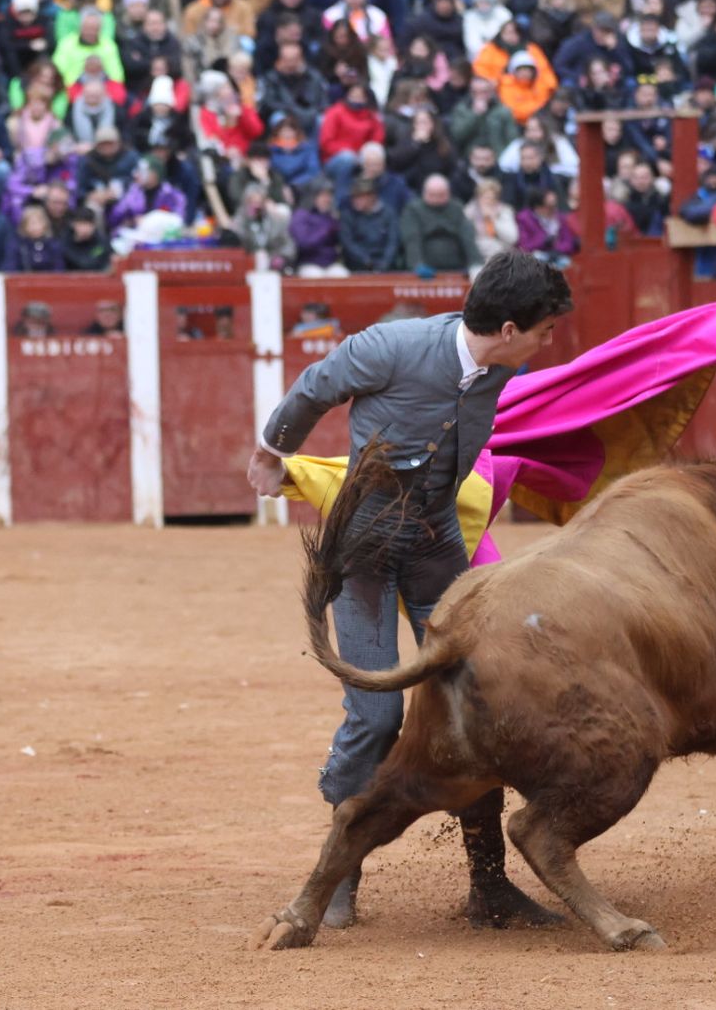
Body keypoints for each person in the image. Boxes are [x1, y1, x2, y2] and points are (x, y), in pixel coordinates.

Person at [246, 249, 575, 932]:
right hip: (362, 552)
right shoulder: (393, 346)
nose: (547, 345)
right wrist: (273, 450)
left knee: (477, 693)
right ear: (511, 327)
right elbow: (313, 385)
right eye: (544, 331)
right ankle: (338, 873)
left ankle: (488, 884)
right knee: (375, 716)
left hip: (434, 548)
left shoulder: (498, 369)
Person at [400, 175, 480, 274]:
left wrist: (476, 263)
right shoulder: (413, 210)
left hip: (456, 266)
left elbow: (467, 237)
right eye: (432, 195)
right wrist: (416, 264)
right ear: (424, 192)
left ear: (448, 193)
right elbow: (412, 239)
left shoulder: (456, 208)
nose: (436, 199)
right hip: (425, 267)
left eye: (441, 195)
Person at [290, 180, 347, 278]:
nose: (327, 199)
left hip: (331, 263)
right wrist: (325, 229)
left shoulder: (331, 215)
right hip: (308, 263)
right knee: (315, 276)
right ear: (313, 197)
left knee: (342, 275)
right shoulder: (301, 215)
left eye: (329, 196)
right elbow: (304, 243)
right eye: (323, 196)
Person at [517, 187, 580, 267]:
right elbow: (524, 246)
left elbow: (568, 242)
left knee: (568, 264)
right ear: (537, 207)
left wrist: (557, 250)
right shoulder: (524, 219)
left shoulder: (560, 218)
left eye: (555, 205)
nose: (554, 209)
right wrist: (543, 241)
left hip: (558, 257)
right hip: (534, 258)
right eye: (549, 206)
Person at [465, 179, 520, 261]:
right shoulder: (469, 212)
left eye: (492, 198)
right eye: (485, 197)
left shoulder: (504, 211)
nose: (488, 201)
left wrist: (493, 220)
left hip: (501, 256)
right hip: (477, 256)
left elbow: (512, 238)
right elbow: (466, 238)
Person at [14, 203, 65, 272]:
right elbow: (11, 268)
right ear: (24, 226)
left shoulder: (53, 245)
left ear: (45, 224)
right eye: (31, 223)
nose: (35, 227)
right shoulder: (18, 245)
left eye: (38, 223)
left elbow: (59, 269)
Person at [62, 206, 110, 270]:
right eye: (81, 224)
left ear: (94, 225)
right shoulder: (65, 242)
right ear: (73, 224)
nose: (85, 229)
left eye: (89, 224)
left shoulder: (101, 243)